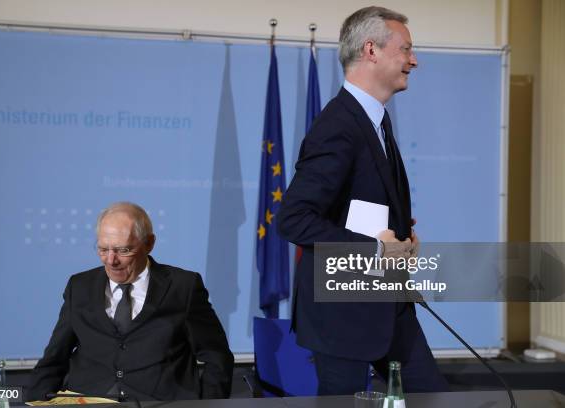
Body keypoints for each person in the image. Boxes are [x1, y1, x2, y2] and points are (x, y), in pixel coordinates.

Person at [277, 6, 449, 395]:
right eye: (406, 49)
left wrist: (402, 240)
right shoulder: (338, 125)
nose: (414, 60)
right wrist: (375, 250)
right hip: (343, 318)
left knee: (437, 398)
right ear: (371, 50)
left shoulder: (375, 120)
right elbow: (294, 219)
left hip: (388, 305)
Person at [26, 202, 234, 401]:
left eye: (123, 250)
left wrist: (208, 404)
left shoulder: (183, 287)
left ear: (149, 244)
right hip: (90, 402)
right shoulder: (79, 287)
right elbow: (54, 358)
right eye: (103, 249)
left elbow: (217, 357)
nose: (111, 260)